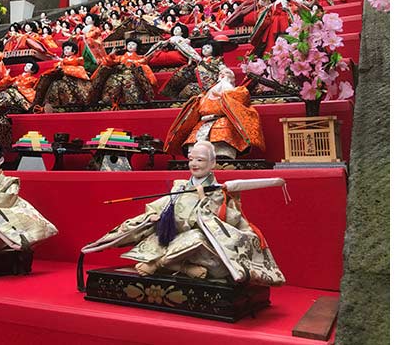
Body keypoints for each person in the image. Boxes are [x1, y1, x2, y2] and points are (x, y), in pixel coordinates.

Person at [80, 140, 284, 286]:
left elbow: (227, 221)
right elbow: (163, 204)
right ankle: (182, 267)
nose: (194, 164)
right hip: (172, 237)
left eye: (201, 160)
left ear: (212, 164)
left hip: (201, 245)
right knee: (150, 229)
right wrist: (154, 214)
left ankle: (161, 264)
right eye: (191, 159)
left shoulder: (221, 192)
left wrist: (205, 200)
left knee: (197, 239)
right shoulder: (180, 186)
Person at [164, 67, 265, 159]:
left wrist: (224, 96)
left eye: (226, 73)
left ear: (233, 79)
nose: (222, 74)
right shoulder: (208, 91)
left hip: (222, 119)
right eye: (221, 73)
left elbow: (242, 99)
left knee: (222, 135)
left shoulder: (237, 90)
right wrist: (199, 99)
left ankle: (222, 155)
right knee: (196, 139)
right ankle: (197, 156)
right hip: (204, 120)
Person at [90, 37, 158, 106]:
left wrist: (134, 62)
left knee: (129, 82)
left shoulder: (140, 57)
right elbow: (110, 62)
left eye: (133, 45)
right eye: (129, 44)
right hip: (119, 73)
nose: (130, 46)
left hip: (132, 74)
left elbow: (144, 62)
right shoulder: (120, 57)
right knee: (113, 80)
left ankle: (133, 101)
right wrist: (111, 55)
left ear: (137, 47)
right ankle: (107, 100)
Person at [32, 40, 92, 109]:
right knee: (55, 84)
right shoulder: (62, 62)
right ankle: (51, 105)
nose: (66, 50)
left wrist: (62, 64)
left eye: (68, 48)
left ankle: (70, 103)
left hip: (74, 81)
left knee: (61, 83)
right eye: (65, 49)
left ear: (74, 51)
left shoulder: (76, 60)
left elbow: (74, 67)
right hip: (64, 80)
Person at [160, 38, 225, 100]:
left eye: (208, 48)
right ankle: (176, 97)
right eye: (203, 48)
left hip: (209, 85)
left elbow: (220, 69)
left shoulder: (216, 60)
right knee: (182, 74)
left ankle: (179, 101)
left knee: (190, 88)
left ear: (214, 49)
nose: (204, 49)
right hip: (197, 80)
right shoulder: (201, 60)